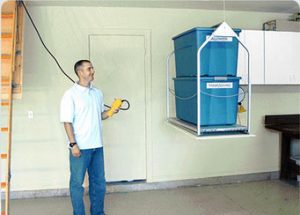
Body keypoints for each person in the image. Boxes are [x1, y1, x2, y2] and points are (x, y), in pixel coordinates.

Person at [60, 60, 116, 215]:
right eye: (89, 69)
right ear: (80, 72)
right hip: (80, 147)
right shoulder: (70, 94)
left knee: (99, 183)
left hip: (97, 146)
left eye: (92, 68)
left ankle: (98, 212)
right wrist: (73, 144)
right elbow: (67, 121)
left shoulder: (97, 93)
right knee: (77, 185)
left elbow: (99, 116)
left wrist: (111, 112)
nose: (92, 71)